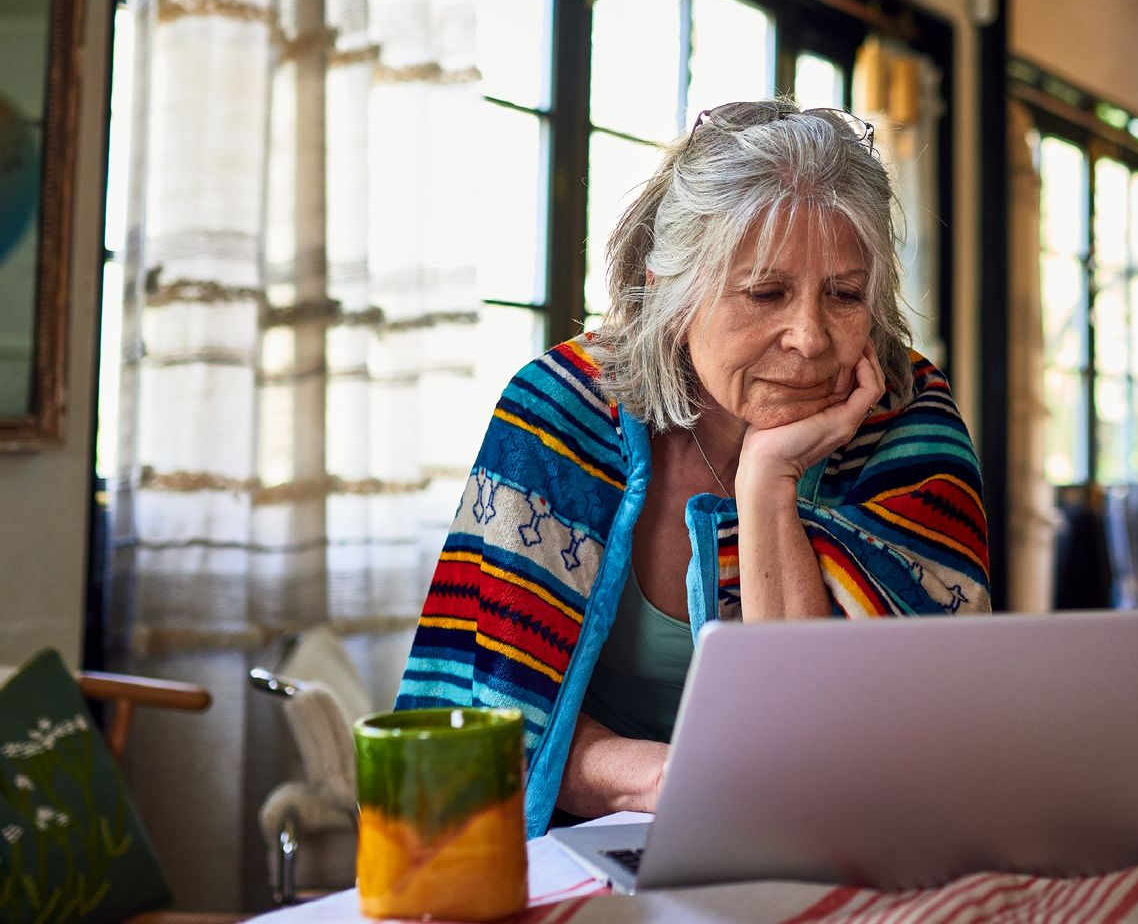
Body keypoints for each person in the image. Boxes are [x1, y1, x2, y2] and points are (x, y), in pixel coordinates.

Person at [395, 99, 991, 836]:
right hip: (583, 841)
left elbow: (851, 750)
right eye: (766, 292)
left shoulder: (909, 425)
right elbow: (494, 718)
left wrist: (768, 484)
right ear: (671, 293)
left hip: (842, 847)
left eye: (843, 294)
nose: (808, 337)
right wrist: (668, 777)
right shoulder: (556, 413)